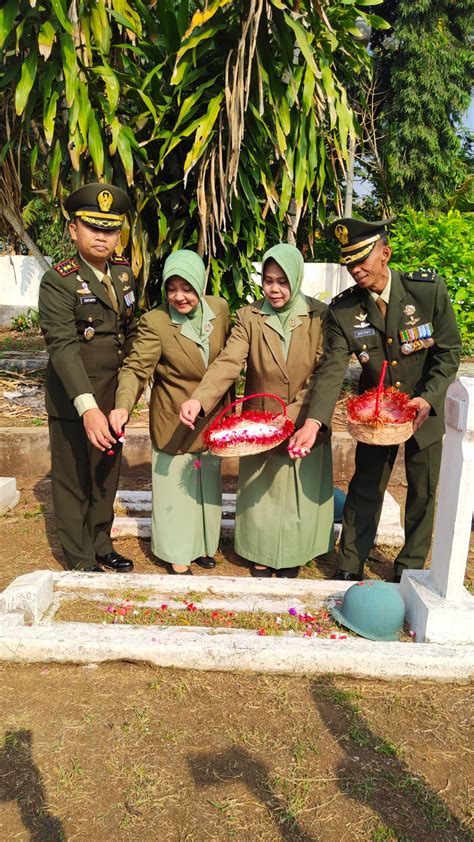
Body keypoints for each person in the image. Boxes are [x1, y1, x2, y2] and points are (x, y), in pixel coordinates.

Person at [289, 216, 461, 583]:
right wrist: (313, 421)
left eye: (361, 259)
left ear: (385, 254)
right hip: (376, 414)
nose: (354, 269)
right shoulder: (344, 310)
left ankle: (410, 567)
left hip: (422, 411)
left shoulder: (426, 293)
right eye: (348, 262)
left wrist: (429, 399)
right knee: (366, 484)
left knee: (423, 489)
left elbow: (448, 353)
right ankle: (350, 562)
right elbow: (333, 369)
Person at [180, 243, 334, 578]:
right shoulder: (250, 316)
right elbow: (229, 362)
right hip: (260, 422)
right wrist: (200, 399)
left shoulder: (319, 316)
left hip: (303, 416)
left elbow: (324, 372)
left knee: (297, 491)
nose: (275, 289)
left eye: (282, 281)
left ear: (296, 278)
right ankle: (260, 553)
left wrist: (294, 415)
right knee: (262, 493)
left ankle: (294, 553)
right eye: (268, 281)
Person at [109, 250, 232, 575]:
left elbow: (228, 358)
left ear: (199, 284)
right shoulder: (157, 322)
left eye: (187, 287)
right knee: (176, 494)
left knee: (207, 485)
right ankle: (177, 554)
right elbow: (135, 369)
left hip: (212, 418)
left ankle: (205, 546)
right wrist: (123, 406)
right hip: (175, 421)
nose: (180, 296)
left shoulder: (218, 309)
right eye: (172, 288)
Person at [39, 182, 137, 573]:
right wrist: (88, 408)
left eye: (110, 228)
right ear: (73, 230)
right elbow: (62, 348)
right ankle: (80, 558)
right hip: (74, 400)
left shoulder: (124, 273)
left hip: (112, 399)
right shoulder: (59, 280)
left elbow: (128, 335)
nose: (102, 236)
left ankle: (100, 543)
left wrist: (124, 400)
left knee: (105, 475)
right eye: (93, 226)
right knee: (73, 478)